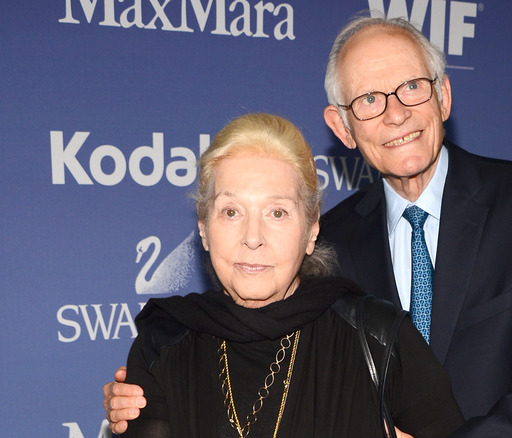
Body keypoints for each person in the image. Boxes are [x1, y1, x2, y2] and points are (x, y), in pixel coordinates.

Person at [105, 15, 512, 437]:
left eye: (412, 87)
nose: (396, 113)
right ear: (342, 127)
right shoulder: (326, 239)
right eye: (368, 99)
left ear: (443, 96)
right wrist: (141, 405)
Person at [117, 112, 463, 438]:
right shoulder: (164, 341)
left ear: (312, 229)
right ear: (204, 228)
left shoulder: (378, 337)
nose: (253, 237)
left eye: (277, 212)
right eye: (232, 211)